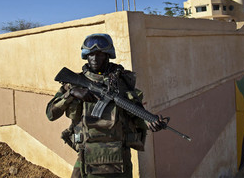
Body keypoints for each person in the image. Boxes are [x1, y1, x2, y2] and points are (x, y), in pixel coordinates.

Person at [46, 33, 165, 178]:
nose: (94, 59)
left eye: (99, 54)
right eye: (90, 54)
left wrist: (149, 122)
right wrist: (71, 93)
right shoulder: (75, 83)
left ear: (108, 55)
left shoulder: (121, 82)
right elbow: (50, 114)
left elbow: (135, 113)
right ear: (85, 56)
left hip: (119, 158)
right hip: (86, 155)